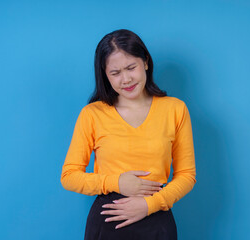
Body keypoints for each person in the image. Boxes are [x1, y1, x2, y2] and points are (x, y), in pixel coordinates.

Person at [61, 29, 196, 239]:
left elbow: (187, 175)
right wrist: (117, 183)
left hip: (157, 218)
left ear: (146, 62)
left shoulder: (175, 109)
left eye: (131, 67)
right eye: (115, 73)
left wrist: (149, 204)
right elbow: (69, 176)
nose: (126, 79)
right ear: (105, 75)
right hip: (108, 221)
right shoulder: (92, 114)